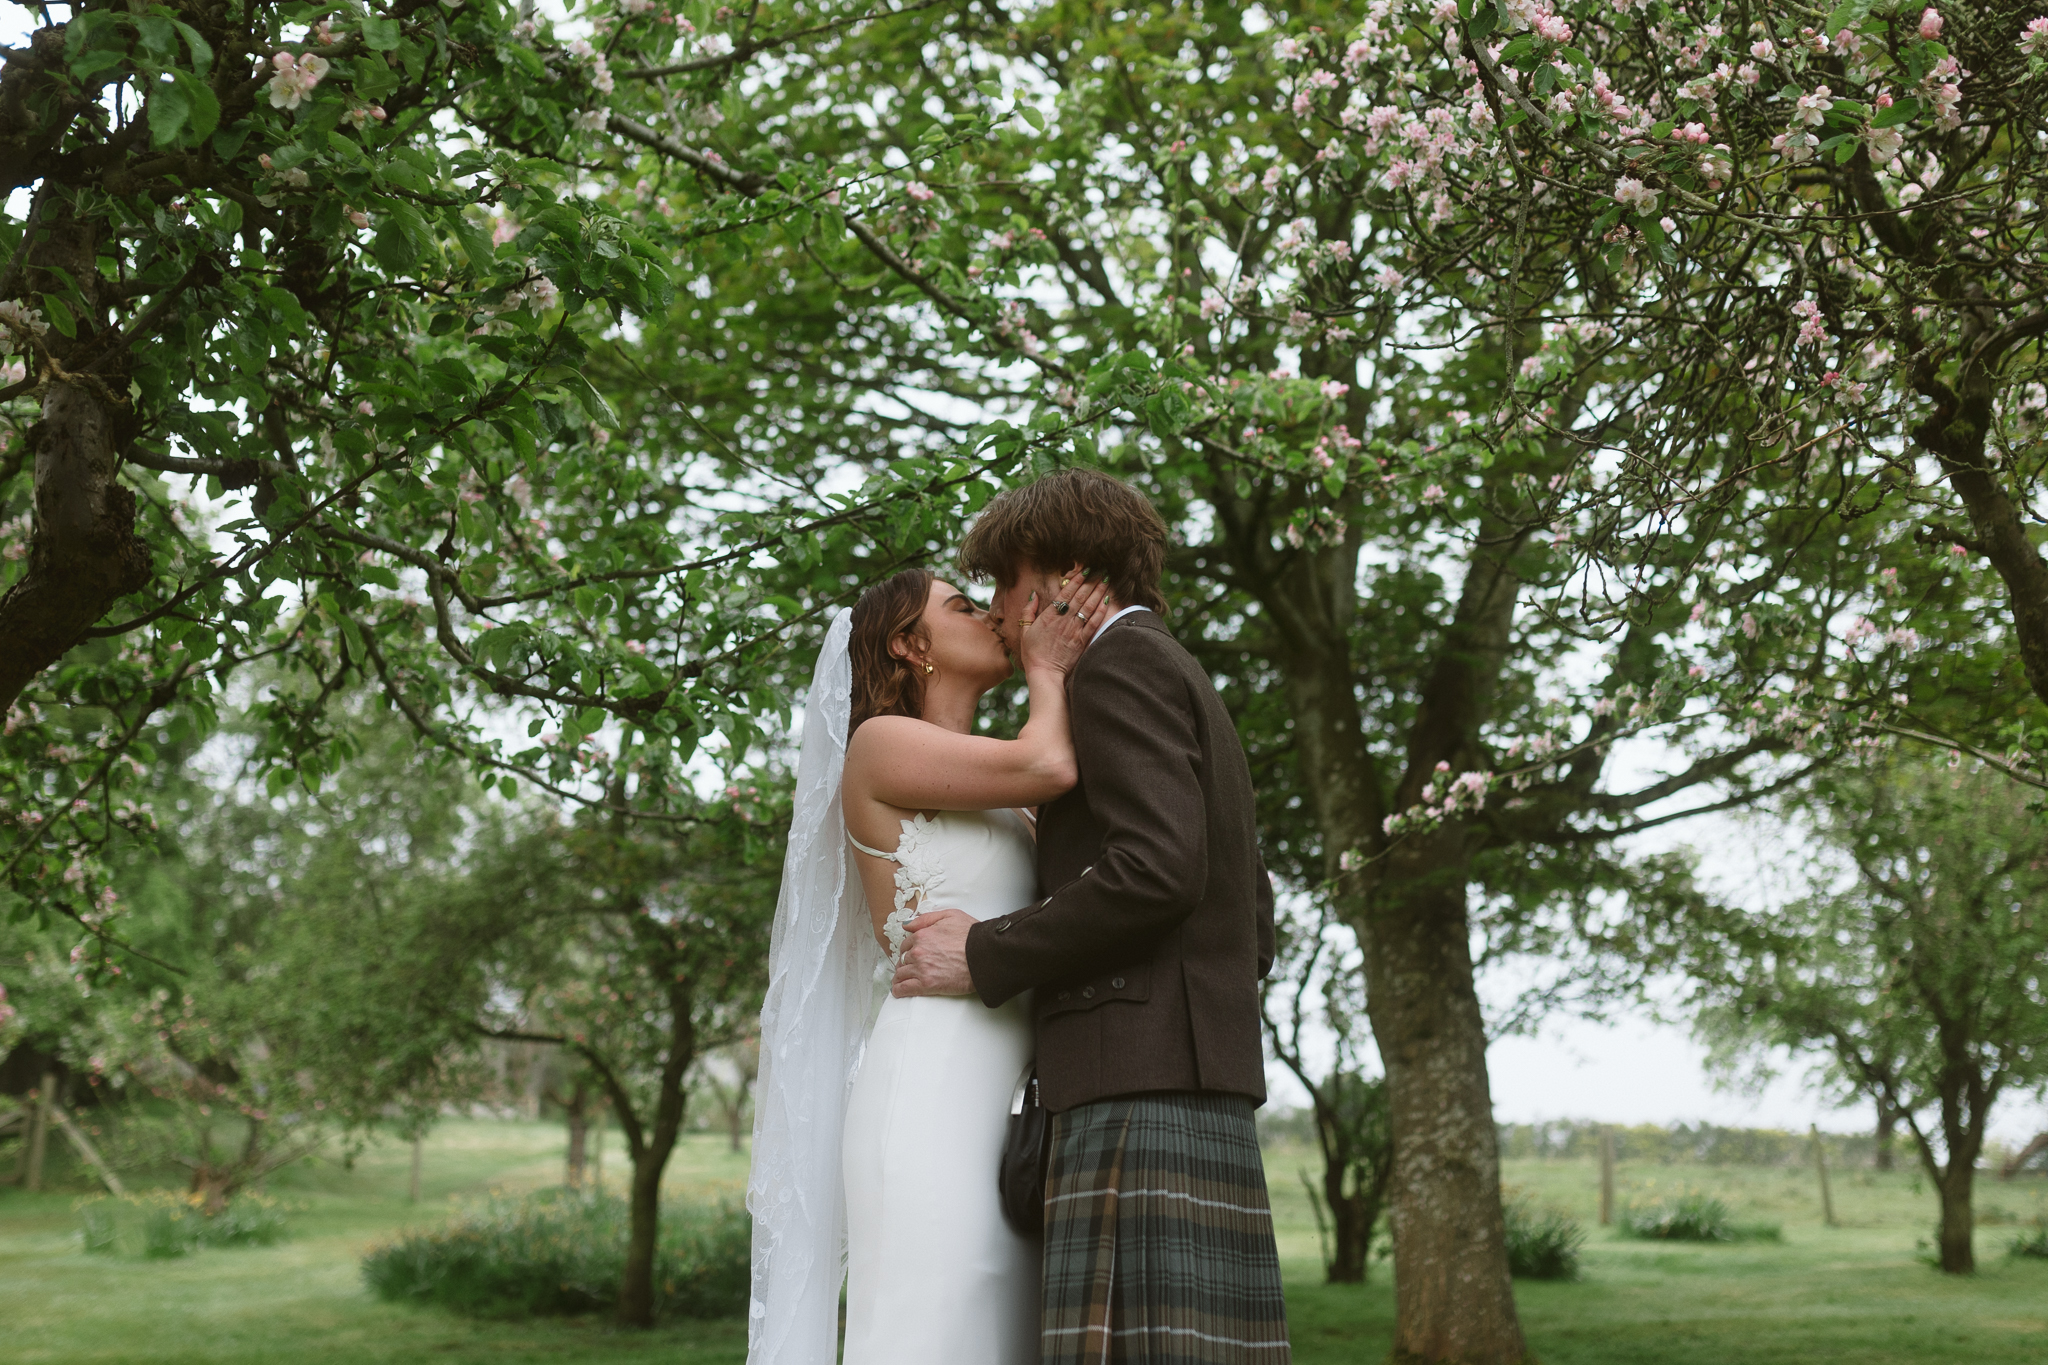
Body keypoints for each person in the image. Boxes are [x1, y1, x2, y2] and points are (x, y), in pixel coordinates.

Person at [892, 468, 1290, 1364]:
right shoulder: (1181, 671)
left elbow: (1155, 869)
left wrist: (987, 952)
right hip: (1193, 1078)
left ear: (1066, 576)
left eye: (1004, 580)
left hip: (1134, 1086)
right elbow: (1251, 913)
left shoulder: (1117, 667)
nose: (998, 608)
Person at [746, 562, 1109, 1365]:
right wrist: (1050, 667)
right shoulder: (881, 748)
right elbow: (1052, 762)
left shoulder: (1004, 794)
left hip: (1008, 1119)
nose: (990, 615)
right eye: (961, 606)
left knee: (1000, 1334)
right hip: (927, 1097)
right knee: (933, 1328)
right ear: (912, 645)